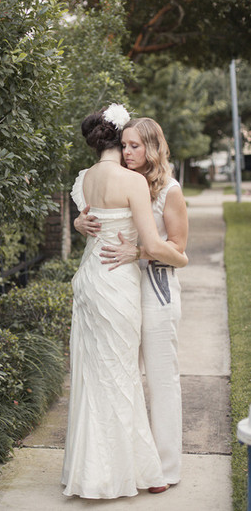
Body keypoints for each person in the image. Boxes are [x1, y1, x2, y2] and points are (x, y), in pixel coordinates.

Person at [61, 105, 188, 500]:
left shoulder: (168, 189)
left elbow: (174, 248)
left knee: (152, 379)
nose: (130, 152)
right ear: (117, 141)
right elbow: (94, 216)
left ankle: (163, 465)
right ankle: (125, 468)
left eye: (137, 146)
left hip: (147, 285)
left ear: (152, 148)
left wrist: (142, 252)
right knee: (117, 375)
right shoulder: (127, 181)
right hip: (118, 285)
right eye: (126, 144)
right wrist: (80, 223)